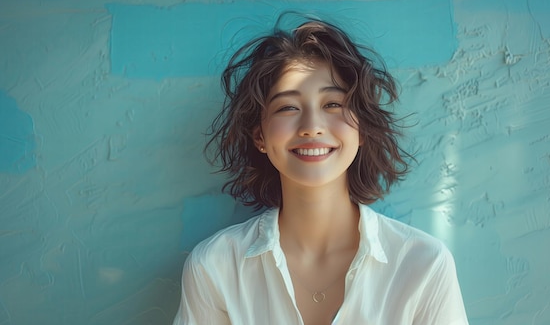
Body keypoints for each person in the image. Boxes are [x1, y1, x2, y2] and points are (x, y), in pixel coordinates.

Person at [173, 16, 469, 325]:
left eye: (333, 105)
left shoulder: (423, 265)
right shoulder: (215, 267)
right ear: (259, 136)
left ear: (362, 128)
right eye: (288, 107)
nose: (312, 127)